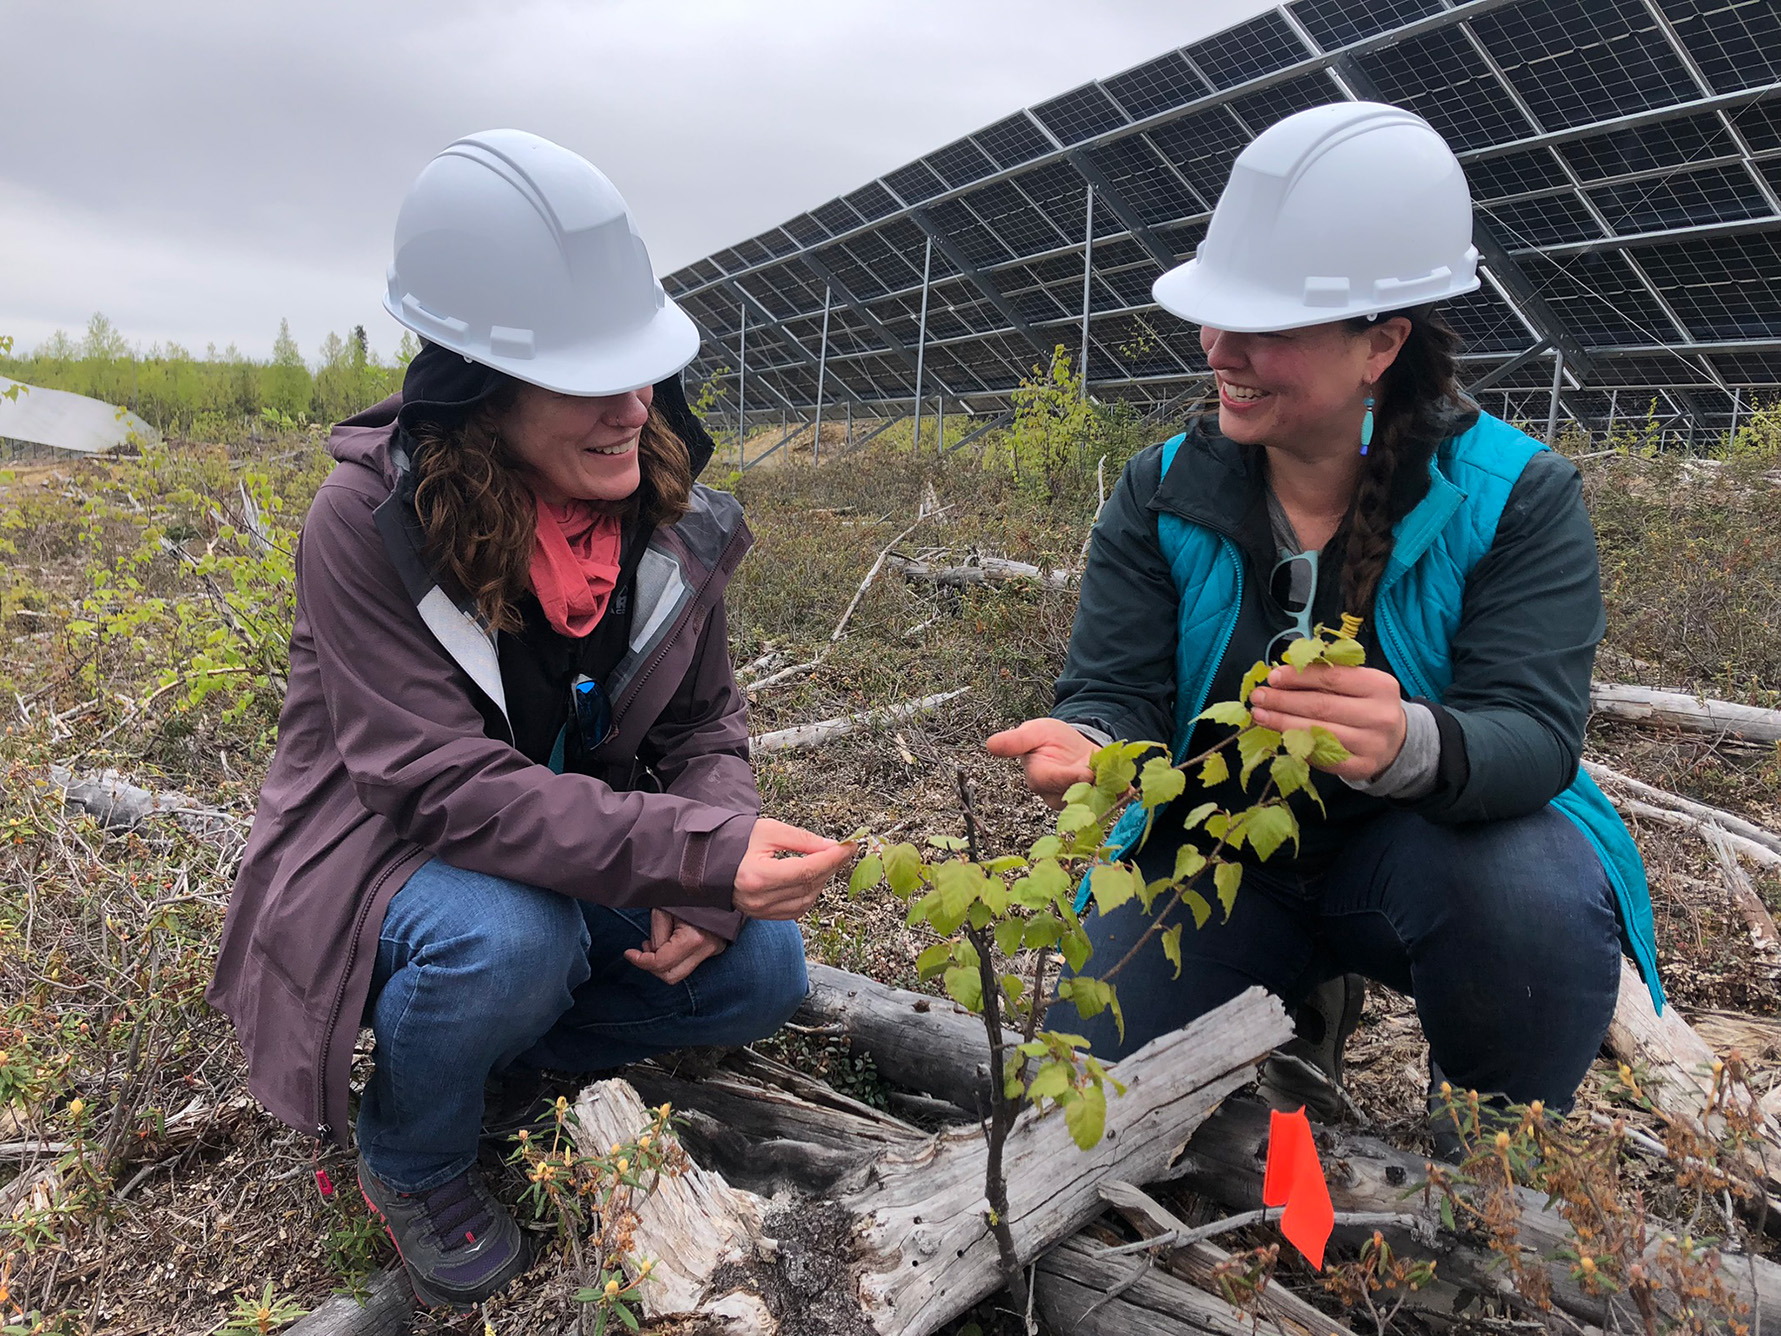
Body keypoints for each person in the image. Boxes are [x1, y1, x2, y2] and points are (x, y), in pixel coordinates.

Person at [207, 130, 853, 1309]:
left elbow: (706, 724)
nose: (630, 407)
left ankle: (501, 1071)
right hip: (385, 857)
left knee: (761, 964)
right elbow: (436, 787)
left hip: (566, 848)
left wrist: (708, 854)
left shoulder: (668, 518)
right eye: (585, 376)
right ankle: (410, 1151)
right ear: (478, 383)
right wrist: (686, 848)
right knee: (509, 939)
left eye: (639, 366)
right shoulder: (365, 523)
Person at [987, 102, 1660, 1127]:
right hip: (1217, 850)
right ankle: (1295, 1008)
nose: (1219, 348)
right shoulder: (1162, 489)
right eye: (1217, 316)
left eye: (1264, 328)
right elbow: (1114, 689)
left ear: (1378, 344)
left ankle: (1483, 1170)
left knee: (1528, 899)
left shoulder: (1512, 493)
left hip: (1428, 852)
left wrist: (1408, 742)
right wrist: (1090, 744)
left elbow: (1533, 733)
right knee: (1089, 1090)